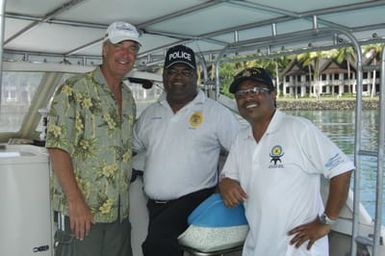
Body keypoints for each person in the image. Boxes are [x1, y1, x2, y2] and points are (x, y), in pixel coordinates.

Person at [219, 67, 354, 256]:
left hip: (298, 250)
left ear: (273, 94)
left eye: (256, 90)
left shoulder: (298, 128)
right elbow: (227, 176)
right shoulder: (241, 139)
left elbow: (342, 169)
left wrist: (326, 222)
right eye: (241, 93)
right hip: (256, 248)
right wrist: (225, 183)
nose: (248, 97)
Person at [133, 44, 241, 256]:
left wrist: (228, 178)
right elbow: (133, 147)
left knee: (155, 246)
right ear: (164, 76)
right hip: (155, 206)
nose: (178, 77)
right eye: (172, 71)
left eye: (185, 71)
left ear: (196, 75)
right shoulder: (150, 114)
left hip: (196, 201)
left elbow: (242, 151)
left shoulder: (216, 112)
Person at [45, 21, 141, 256]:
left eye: (132, 48)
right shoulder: (73, 89)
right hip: (83, 214)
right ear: (104, 48)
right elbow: (58, 149)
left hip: (119, 216)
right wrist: (76, 202)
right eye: (119, 46)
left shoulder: (128, 98)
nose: (126, 54)